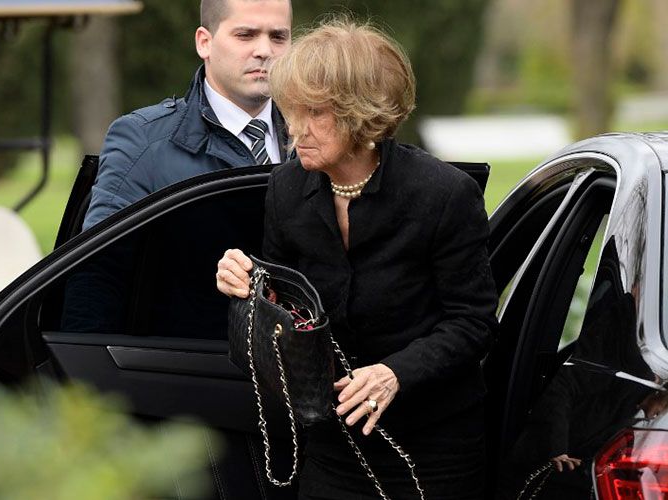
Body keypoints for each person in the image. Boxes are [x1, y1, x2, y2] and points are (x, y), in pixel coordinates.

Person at [216, 18, 499, 500]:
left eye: (315, 114)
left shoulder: (443, 195)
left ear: (360, 113)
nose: (294, 130)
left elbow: (472, 323)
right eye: (290, 111)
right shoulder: (287, 189)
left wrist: (394, 374)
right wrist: (248, 281)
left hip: (433, 445)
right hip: (333, 439)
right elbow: (288, 306)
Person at [83, 0, 295, 230]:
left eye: (278, 37)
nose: (264, 51)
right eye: (245, 35)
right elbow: (98, 263)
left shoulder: (322, 138)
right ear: (204, 43)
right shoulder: (142, 144)